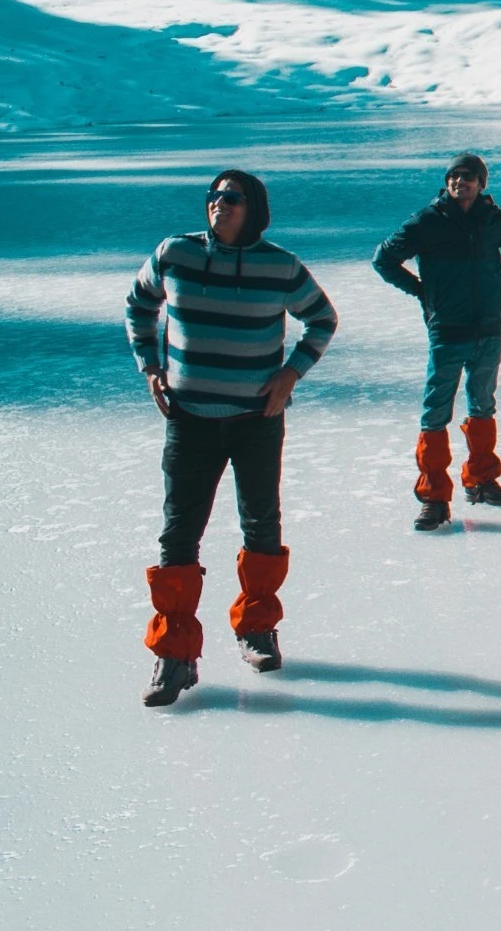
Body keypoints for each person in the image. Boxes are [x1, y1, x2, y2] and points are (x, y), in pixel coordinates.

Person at [125, 170, 338, 707]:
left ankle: (257, 627)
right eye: (214, 197)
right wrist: (151, 367)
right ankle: (175, 654)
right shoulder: (175, 253)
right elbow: (138, 304)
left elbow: (322, 319)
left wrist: (291, 375)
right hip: (190, 418)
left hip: (256, 420)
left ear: (254, 208)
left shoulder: (280, 265)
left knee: (261, 523)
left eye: (232, 198)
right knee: (178, 535)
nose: (220, 205)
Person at [372, 152, 501, 531]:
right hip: (447, 326)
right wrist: (422, 291)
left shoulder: (493, 218)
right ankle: (433, 497)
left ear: (481, 183)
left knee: (482, 403)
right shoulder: (427, 220)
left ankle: (481, 480)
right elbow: (384, 259)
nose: (459, 182)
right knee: (435, 410)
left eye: (468, 177)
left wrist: (498, 278)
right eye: (454, 176)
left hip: (490, 326)